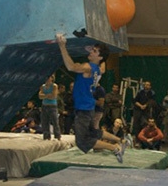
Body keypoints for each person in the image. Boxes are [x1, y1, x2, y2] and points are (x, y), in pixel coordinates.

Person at [55, 33, 125, 162]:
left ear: (99, 56)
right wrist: (94, 51)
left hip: (83, 108)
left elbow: (71, 66)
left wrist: (62, 46)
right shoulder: (99, 69)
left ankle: (114, 147)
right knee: (93, 132)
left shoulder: (88, 67)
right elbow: (103, 64)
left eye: (94, 51)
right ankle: (121, 140)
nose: (91, 52)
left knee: (82, 141)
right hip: (88, 107)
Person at [38, 74, 62, 141]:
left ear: (52, 78)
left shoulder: (54, 86)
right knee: (44, 121)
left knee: (55, 121)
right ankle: (46, 136)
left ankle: (57, 135)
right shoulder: (43, 86)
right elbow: (40, 96)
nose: (48, 79)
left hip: (52, 106)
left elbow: (54, 96)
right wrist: (47, 95)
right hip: (44, 105)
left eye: (49, 78)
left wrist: (44, 96)